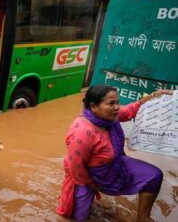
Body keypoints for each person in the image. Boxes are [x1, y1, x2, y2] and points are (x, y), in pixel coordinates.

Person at [56, 85, 174, 221]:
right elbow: (76, 167)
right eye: (111, 103)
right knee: (77, 218)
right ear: (94, 106)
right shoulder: (83, 132)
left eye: (118, 102)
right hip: (87, 177)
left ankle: (143, 218)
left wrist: (155, 96)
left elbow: (130, 109)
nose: (117, 107)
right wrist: (93, 184)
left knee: (154, 175)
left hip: (114, 164)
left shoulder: (111, 117)